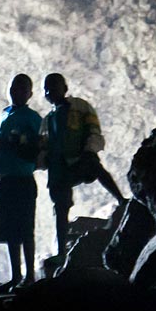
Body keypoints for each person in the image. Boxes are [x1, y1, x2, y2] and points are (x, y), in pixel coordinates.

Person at [40, 73, 127, 254]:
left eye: (54, 86)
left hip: (81, 157)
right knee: (61, 206)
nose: (50, 91)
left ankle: (121, 200)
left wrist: (90, 149)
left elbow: (93, 128)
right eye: (46, 88)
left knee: (96, 168)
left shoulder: (80, 107)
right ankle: (61, 251)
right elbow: (43, 146)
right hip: (59, 168)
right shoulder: (47, 120)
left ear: (64, 88)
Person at [0, 74, 43, 287]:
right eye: (14, 88)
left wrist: (19, 146)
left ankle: (29, 276)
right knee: (10, 231)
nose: (17, 93)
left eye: (22, 89)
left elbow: (40, 146)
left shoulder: (32, 117)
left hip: (24, 179)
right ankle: (16, 276)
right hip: (6, 180)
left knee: (25, 229)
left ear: (30, 93)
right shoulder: (4, 115)